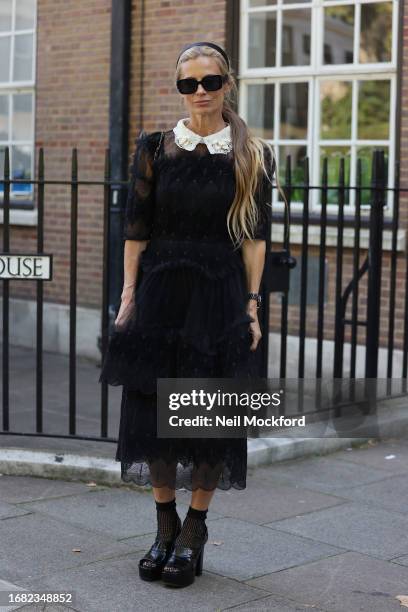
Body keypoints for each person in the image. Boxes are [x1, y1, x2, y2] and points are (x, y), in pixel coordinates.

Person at [99, 41, 280, 588]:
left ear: (228, 82)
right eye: (188, 84)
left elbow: (254, 239)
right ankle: (163, 525)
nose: (200, 92)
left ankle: (194, 529)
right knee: (153, 410)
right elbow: (136, 227)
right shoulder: (155, 147)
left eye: (210, 81)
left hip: (220, 295)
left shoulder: (253, 154)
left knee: (209, 416)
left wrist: (251, 305)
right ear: (178, 88)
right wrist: (129, 294)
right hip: (160, 290)